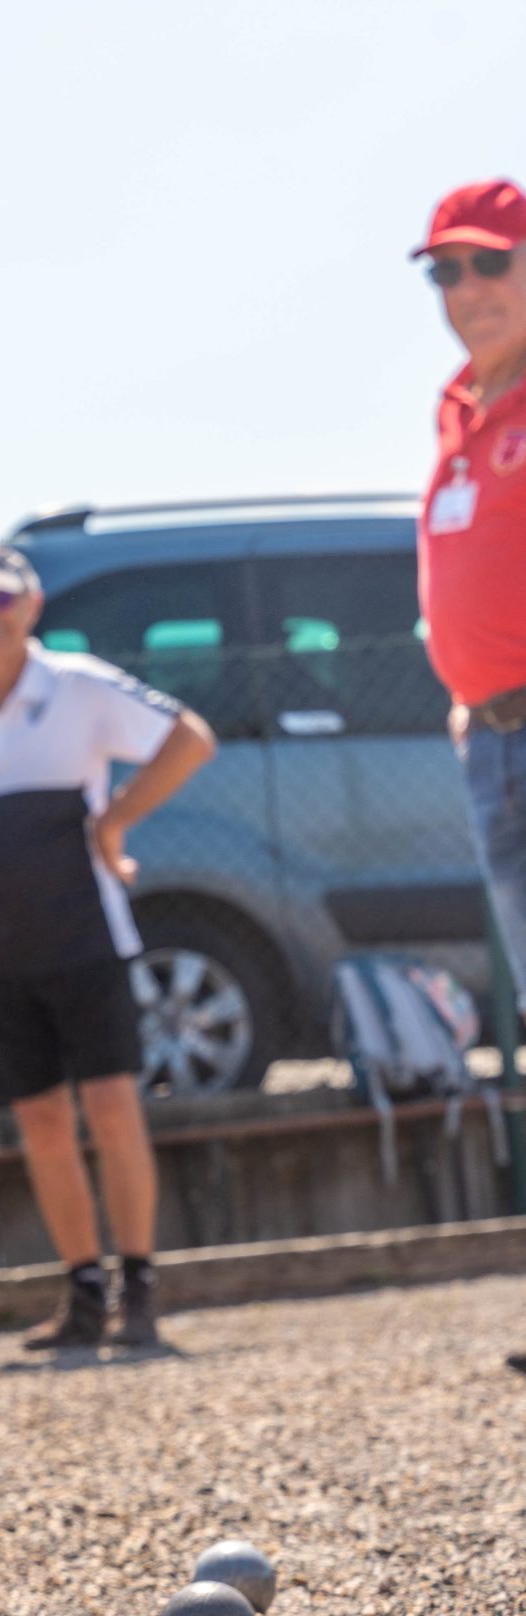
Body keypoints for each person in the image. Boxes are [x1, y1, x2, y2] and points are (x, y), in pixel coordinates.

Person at [0, 543, 216, 1352]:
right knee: (38, 1117)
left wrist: (113, 820)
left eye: (2, 600)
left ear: (31, 609)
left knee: (109, 1106)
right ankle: (80, 1291)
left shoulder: (79, 686)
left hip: (84, 934)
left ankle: (138, 1286)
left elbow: (189, 737)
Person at [410, 180, 526, 1374]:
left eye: (489, 264)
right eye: (444, 273)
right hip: (491, 741)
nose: (466, 292)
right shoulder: (457, 408)